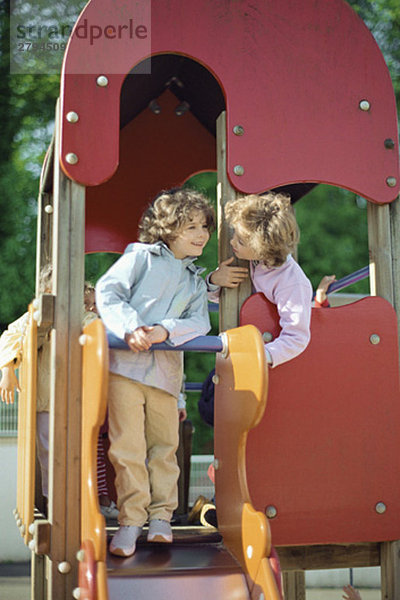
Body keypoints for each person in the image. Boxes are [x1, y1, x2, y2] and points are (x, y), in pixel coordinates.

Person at [95, 187, 215, 557]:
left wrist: (165, 330)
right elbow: (108, 290)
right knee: (127, 448)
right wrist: (130, 327)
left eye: (204, 226)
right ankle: (131, 521)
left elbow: (199, 322)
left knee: (165, 448)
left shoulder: (195, 280)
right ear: (167, 229)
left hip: (165, 374)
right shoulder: (141, 258)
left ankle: (161, 518)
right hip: (127, 369)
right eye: (190, 226)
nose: (201, 234)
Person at [0, 275, 118, 518]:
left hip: (76, 399)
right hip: (47, 399)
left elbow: (93, 326)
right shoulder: (36, 315)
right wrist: (7, 369)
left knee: (81, 452)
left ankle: (84, 502)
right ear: (45, 292)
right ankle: (55, 504)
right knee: (49, 453)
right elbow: (10, 335)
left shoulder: (81, 315)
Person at [208, 192, 312, 368]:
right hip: (235, 348)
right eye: (234, 234)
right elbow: (221, 299)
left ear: (263, 249)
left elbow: (297, 337)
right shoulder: (249, 260)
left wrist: (258, 356)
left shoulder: (291, 281)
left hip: (262, 362)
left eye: (240, 241)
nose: (232, 242)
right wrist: (214, 280)